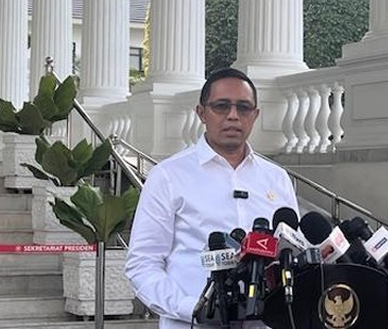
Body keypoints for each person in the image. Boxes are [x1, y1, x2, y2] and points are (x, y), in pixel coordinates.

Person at [125, 68, 299, 329]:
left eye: (243, 108)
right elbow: (142, 265)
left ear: (255, 115)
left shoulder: (277, 178)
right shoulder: (168, 176)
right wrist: (195, 308)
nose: (233, 115)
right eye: (221, 106)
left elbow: (290, 253)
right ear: (201, 113)